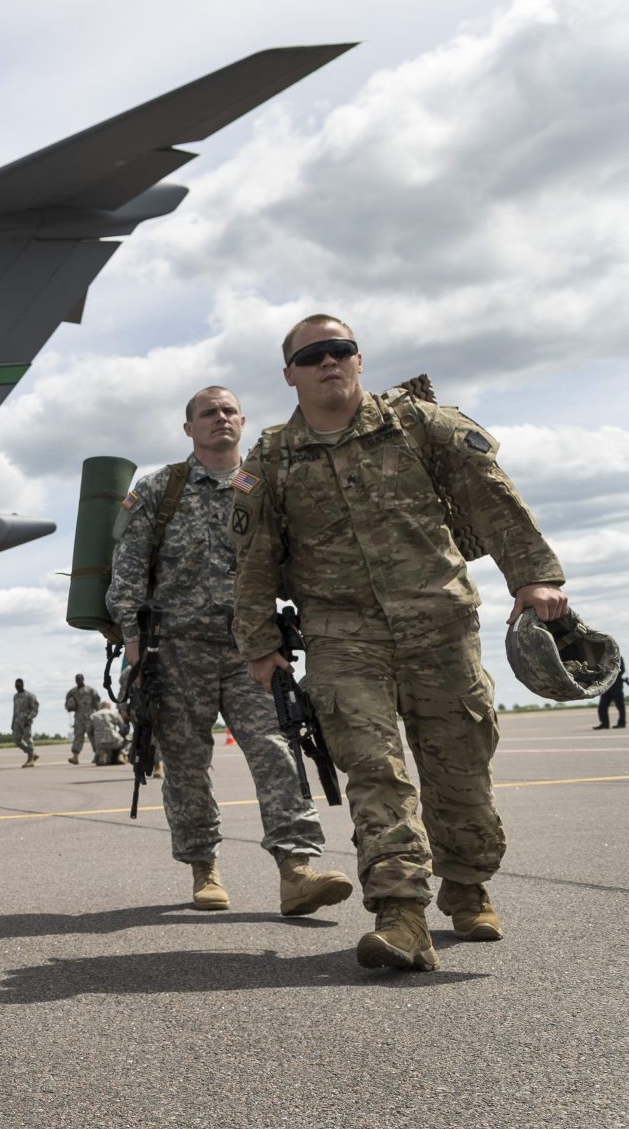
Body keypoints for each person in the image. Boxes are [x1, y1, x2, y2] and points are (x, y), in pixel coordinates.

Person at [234, 315, 568, 972]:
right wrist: (259, 642)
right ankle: (400, 914)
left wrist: (534, 574)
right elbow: (252, 555)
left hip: (439, 625)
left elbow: (492, 495)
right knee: (374, 769)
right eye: (313, 355)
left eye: (341, 350)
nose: (330, 361)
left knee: (461, 768)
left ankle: (467, 884)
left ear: (358, 359)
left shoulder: (420, 424)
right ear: (290, 374)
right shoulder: (268, 459)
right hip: (341, 636)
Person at [108, 386, 353, 915]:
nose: (218, 419)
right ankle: (204, 868)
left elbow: (300, 561)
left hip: (254, 649)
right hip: (175, 652)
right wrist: (133, 647)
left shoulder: (262, 486)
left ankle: (297, 870)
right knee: (186, 765)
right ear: (188, 428)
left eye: (226, 411)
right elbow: (126, 571)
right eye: (206, 414)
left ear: (242, 420)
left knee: (276, 750)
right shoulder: (160, 489)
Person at [64, 674, 99, 764]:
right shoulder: (72, 691)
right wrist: (69, 706)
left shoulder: (90, 690)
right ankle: (75, 757)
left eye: (80, 679)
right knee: (78, 736)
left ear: (83, 679)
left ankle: (97, 755)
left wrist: (98, 712)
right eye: (77, 680)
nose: (78, 681)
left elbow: (97, 700)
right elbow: (67, 700)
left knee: (92, 736)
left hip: (90, 716)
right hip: (79, 717)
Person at [87, 700, 126, 766]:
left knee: (102, 748)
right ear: (109, 706)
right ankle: (121, 754)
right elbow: (122, 727)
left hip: (99, 743)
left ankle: (102, 753)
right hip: (114, 740)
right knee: (128, 741)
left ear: (100, 707)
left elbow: (89, 731)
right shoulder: (114, 713)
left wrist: (95, 743)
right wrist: (121, 735)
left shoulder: (93, 715)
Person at [11, 678, 39, 767]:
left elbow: (35, 709)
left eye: (18, 685)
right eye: (16, 686)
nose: (17, 687)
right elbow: (14, 710)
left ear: (22, 685)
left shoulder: (30, 695)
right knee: (17, 740)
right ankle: (32, 753)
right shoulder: (15, 696)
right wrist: (12, 722)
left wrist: (29, 718)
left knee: (28, 739)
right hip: (17, 722)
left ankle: (30, 759)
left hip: (26, 721)